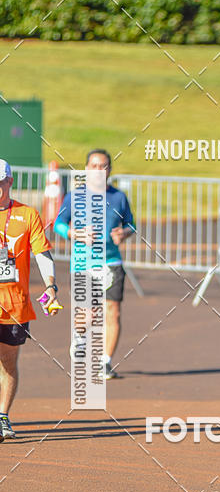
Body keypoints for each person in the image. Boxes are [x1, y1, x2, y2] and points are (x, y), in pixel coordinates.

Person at [54, 149, 136, 380]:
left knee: (114, 312)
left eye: (104, 166)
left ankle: (105, 363)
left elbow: (131, 224)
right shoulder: (74, 196)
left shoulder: (119, 197)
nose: (99, 170)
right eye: (94, 166)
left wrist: (124, 233)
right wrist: (73, 233)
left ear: (110, 170)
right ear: (87, 169)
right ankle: (80, 336)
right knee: (89, 312)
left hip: (111, 261)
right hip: (83, 263)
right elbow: (58, 223)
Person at [0, 159, 62, 440]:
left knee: (8, 364)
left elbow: (42, 254)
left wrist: (51, 285)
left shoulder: (28, 215)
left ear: (9, 182)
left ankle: (2, 416)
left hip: (15, 305)